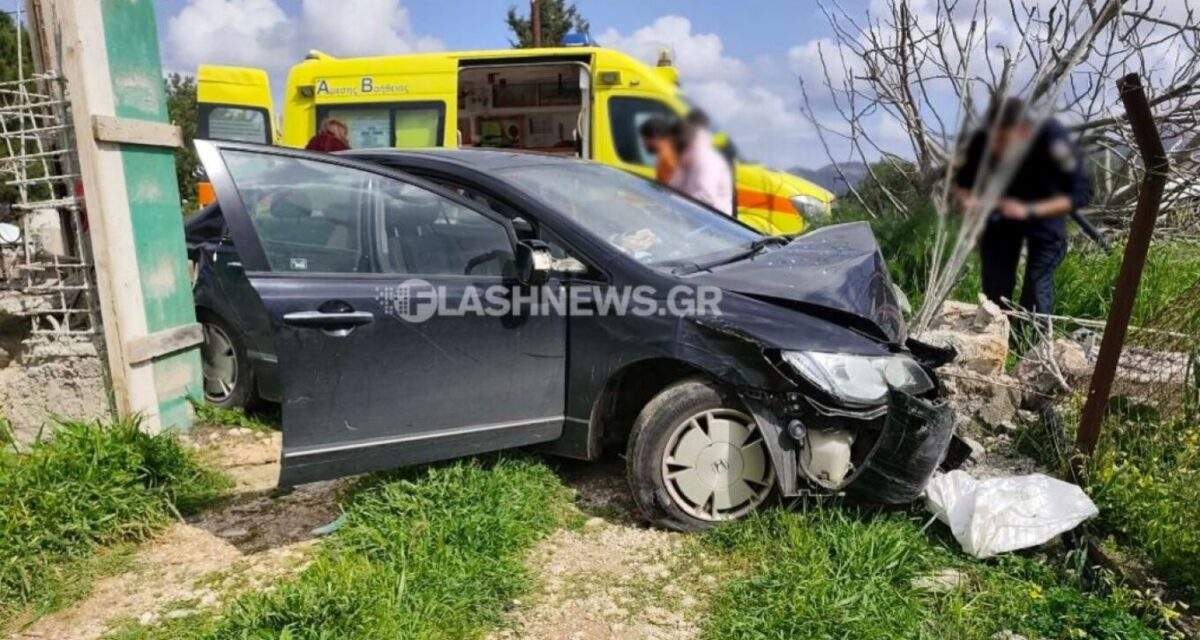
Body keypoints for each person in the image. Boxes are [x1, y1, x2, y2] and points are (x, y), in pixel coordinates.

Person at [955, 97, 1092, 316]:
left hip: (1043, 216)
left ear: (1024, 130)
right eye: (994, 141)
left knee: (1036, 288)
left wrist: (1029, 210)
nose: (997, 149)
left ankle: (1031, 341)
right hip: (999, 218)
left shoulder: (1051, 138)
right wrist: (967, 202)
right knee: (995, 291)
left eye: (1004, 141)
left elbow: (1081, 194)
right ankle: (997, 338)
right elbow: (963, 184)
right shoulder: (982, 140)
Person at [670, 110, 734, 216]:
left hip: (706, 222)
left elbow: (705, 196)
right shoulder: (690, 156)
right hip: (691, 217)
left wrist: (672, 203)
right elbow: (675, 185)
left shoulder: (705, 158)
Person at [638, 117, 679, 184]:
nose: (643, 144)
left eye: (644, 140)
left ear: (655, 137)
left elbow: (666, 189)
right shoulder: (672, 151)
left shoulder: (666, 158)